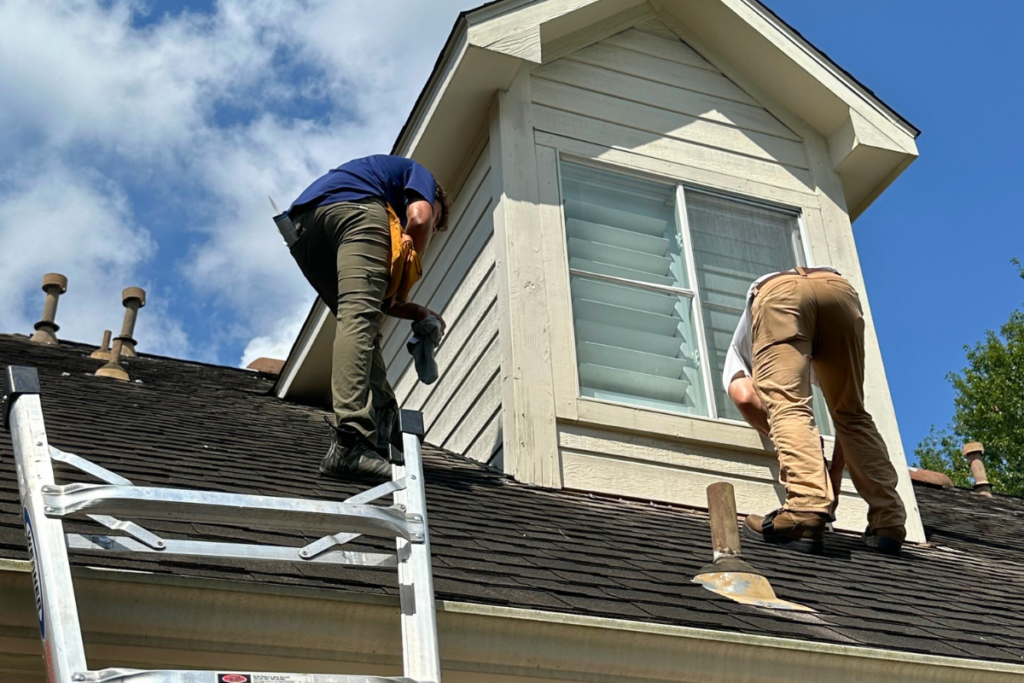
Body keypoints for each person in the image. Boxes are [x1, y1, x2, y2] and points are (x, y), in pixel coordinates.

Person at [723, 266, 906, 555]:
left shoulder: (740, 351)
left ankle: (804, 508)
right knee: (852, 413)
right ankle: (889, 521)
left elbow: (744, 396)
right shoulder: (756, 346)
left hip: (780, 294)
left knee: (788, 406)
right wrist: (827, 469)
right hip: (837, 290)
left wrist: (821, 476)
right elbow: (845, 420)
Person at [288, 155, 450, 480]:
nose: (433, 227)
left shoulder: (368, 178)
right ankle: (350, 442)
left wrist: (416, 311)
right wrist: (409, 266)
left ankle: (383, 418)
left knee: (359, 321)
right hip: (357, 211)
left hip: (303, 227)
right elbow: (418, 220)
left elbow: (379, 304)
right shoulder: (421, 176)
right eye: (439, 223)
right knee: (360, 323)